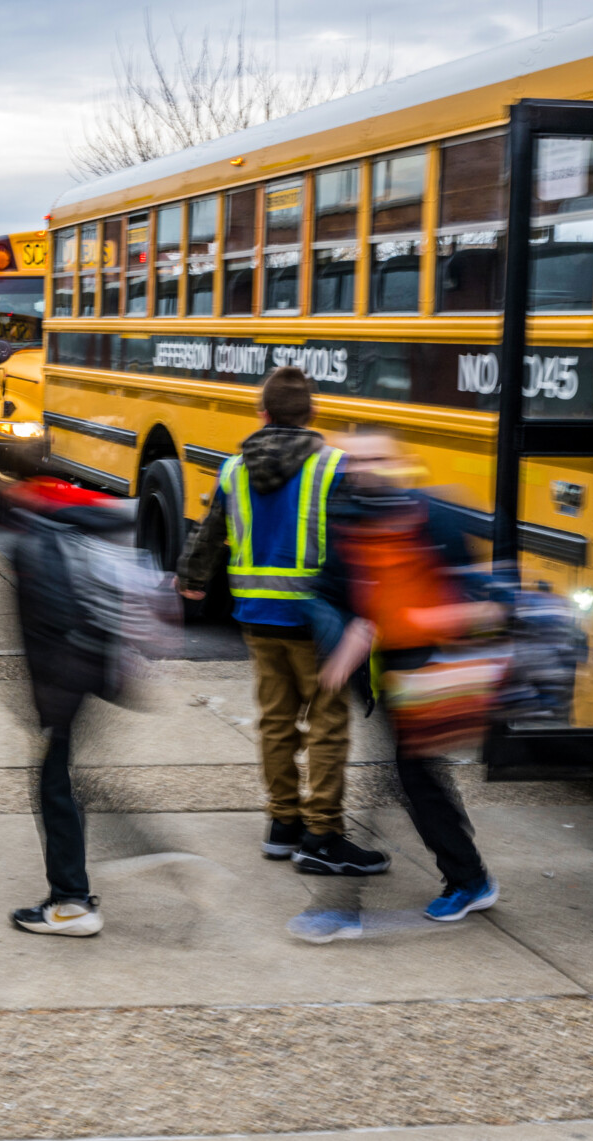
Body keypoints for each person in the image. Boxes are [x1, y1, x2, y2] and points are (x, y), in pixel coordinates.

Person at [177, 366, 388, 877]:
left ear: (263, 414)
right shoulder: (334, 465)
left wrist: (192, 580)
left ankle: (282, 824)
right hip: (317, 621)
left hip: (257, 616)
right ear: (313, 413)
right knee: (326, 725)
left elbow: (210, 533)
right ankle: (323, 833)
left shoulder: (233, 469)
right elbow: (359, 542)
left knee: (275, 721)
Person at [314, 431, 502, 922]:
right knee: (417, 777)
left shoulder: (436, 515)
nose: (366, 466)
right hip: (389, 679)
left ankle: (470, 879)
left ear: (400, 463)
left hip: (432, 673)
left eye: (377, 457)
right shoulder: (346, 520)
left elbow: (468, 597)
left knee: (415, 776)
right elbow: (331, 591)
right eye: (356, 459)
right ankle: (467, 874)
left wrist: (414, 620)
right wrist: (342, 644)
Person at [6, 478, 136, 937]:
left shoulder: (40, 540)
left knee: (55, 787)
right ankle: (76, 889)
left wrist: (47, 702)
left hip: (64, 688)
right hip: (91, 680)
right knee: (64, 783)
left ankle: (71, 903)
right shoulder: (81, 533)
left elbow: (56, 624)